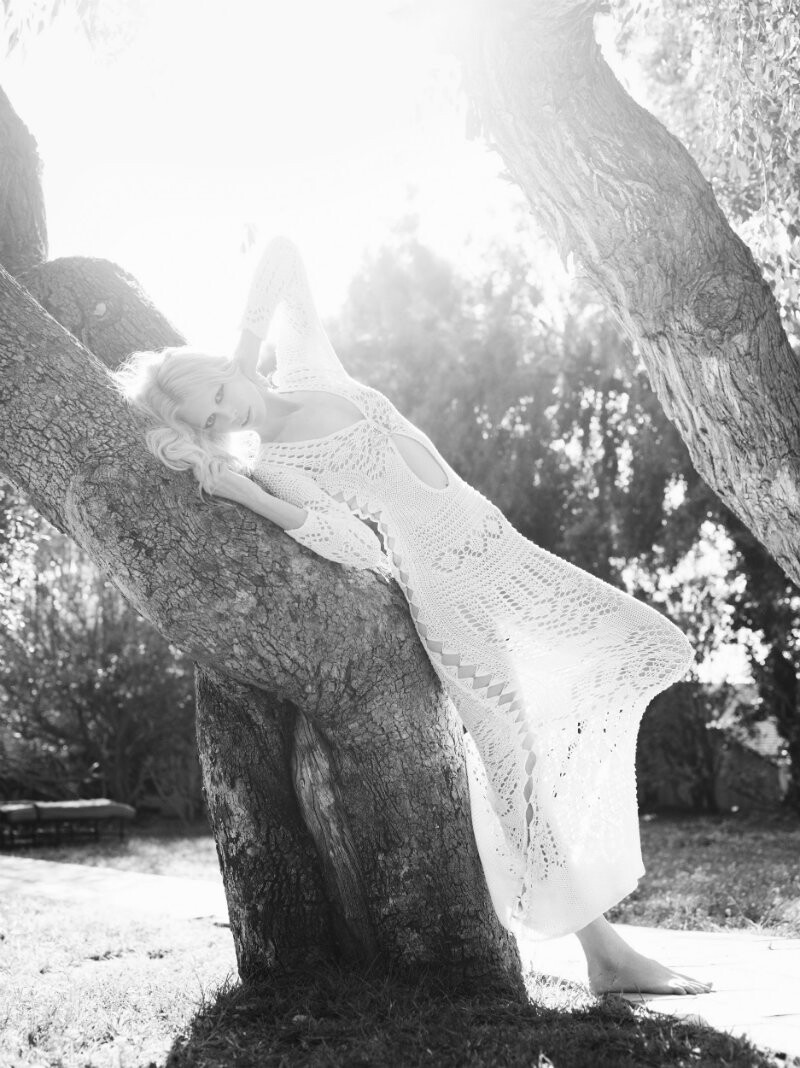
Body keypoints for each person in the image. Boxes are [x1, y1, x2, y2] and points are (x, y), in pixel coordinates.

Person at [114, 236, 712, 996]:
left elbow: (286, 255)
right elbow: (353, 545)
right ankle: (605, 955)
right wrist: (248, 493)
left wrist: (242, 347)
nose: (228, 416)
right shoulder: (274, 463)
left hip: (502, 550)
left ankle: (601, 933)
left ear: (220, 372)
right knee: (514, 768)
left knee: (651, 644)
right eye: (211, 423)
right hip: (446, 596)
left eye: (218, 398)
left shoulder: (311, 371)